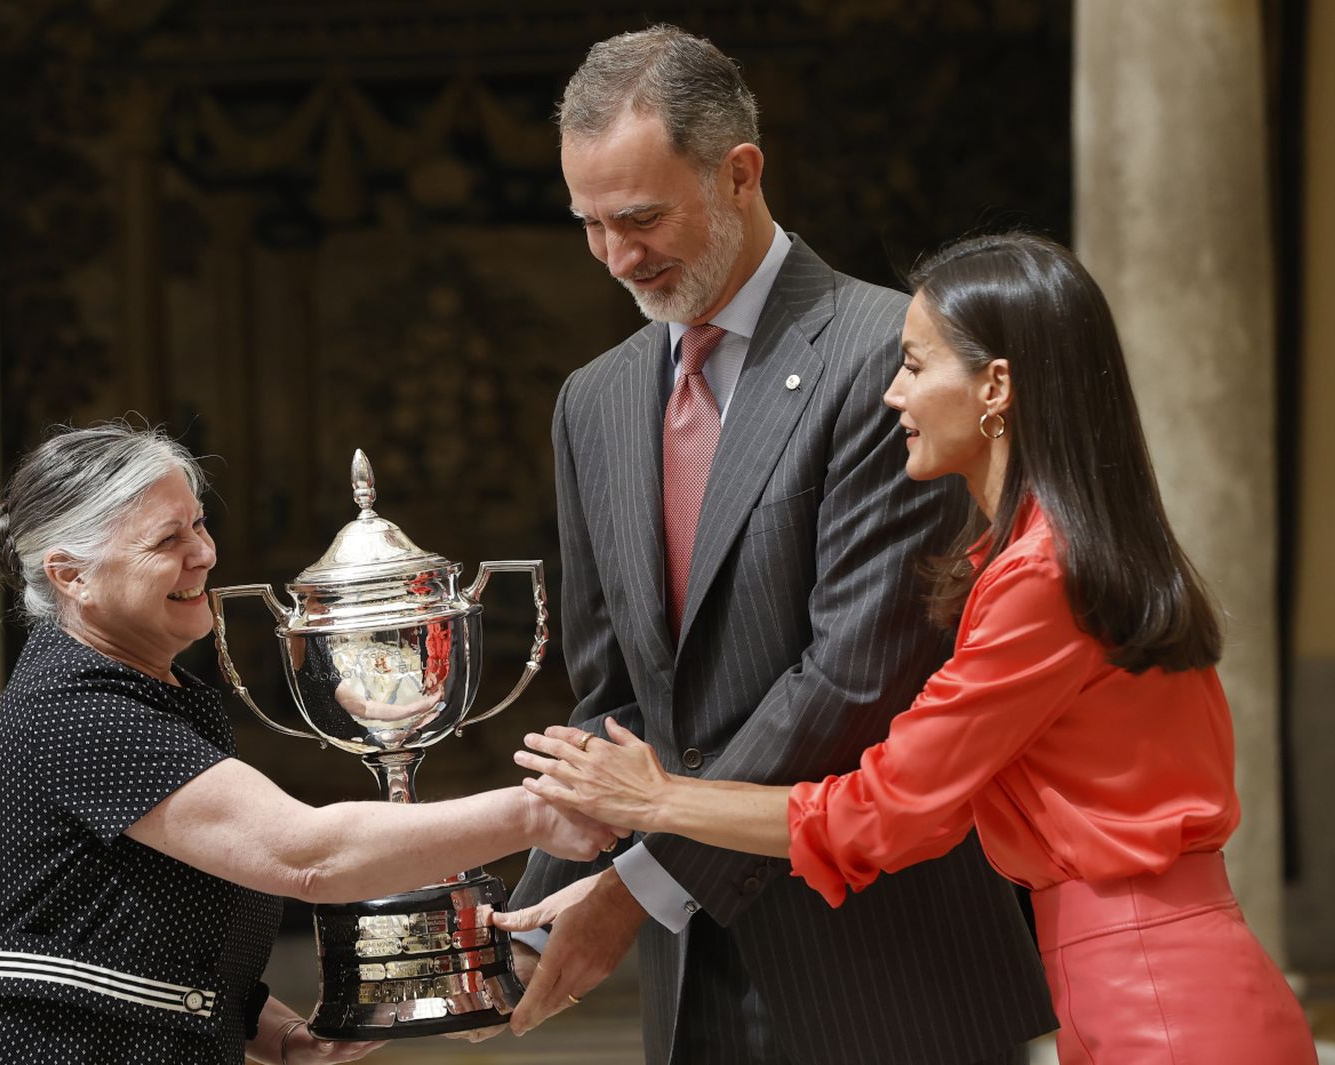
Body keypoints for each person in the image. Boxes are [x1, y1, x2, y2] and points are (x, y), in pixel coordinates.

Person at [514, 232, 1319, 1065]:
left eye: (914, 365)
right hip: (1141, 986)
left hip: (1160, 1003)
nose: (893, 393)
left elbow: (884, 809)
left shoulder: (1043, 576)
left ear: (995, 388)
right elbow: (921, 818)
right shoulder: (1033, 558)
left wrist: (661, 800)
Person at [493, 24, 1055, 1065]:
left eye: (642, 217)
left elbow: (853, 676)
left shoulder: (887, 353)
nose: (617, 257)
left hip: (888, 975)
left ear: (741, 173)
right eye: (589, 224)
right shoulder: (594, 401)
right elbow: (610, 699)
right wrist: (512, 939)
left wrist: (634, 890)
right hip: (689, 983)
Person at [0, 422, 623, 1065]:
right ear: (72, 576)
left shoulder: (140, 689)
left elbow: (124, 927)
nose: (203, 553)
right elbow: (305, 854)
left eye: (198, 524)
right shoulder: (77, 707)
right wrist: (535, 813)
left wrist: (272, 1029)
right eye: (167, 540)